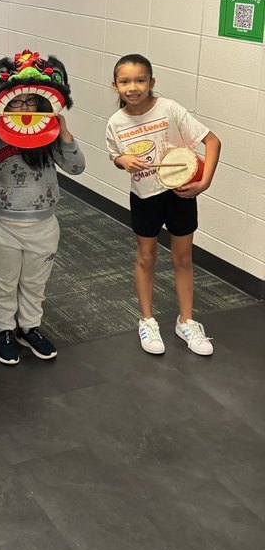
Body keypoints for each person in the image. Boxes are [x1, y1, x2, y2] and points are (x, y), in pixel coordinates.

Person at [106, 53, 221, 357]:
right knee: (146, 257)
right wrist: (122, 160)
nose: (133, 87)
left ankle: (187, 321)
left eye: (140, 80)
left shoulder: (169, 109)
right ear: (115, 85)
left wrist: (204, 181)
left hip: (180, 195)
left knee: (183, 259)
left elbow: (212, 142)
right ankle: (146, 320)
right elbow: (116, 157)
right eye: (125, 81)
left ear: (151, 82)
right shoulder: (116, 122)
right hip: (145, 197)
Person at [0, 50, 86, 365]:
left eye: (30, 102)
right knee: (3, 282)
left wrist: (64, 133)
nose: (24, 109)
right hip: (2, 225)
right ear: (3, 104)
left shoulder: (49, 137)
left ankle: (29, 327)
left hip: (43, 224)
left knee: (35, 283)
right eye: (16, 102)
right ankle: (4, 330)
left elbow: (77, 168)